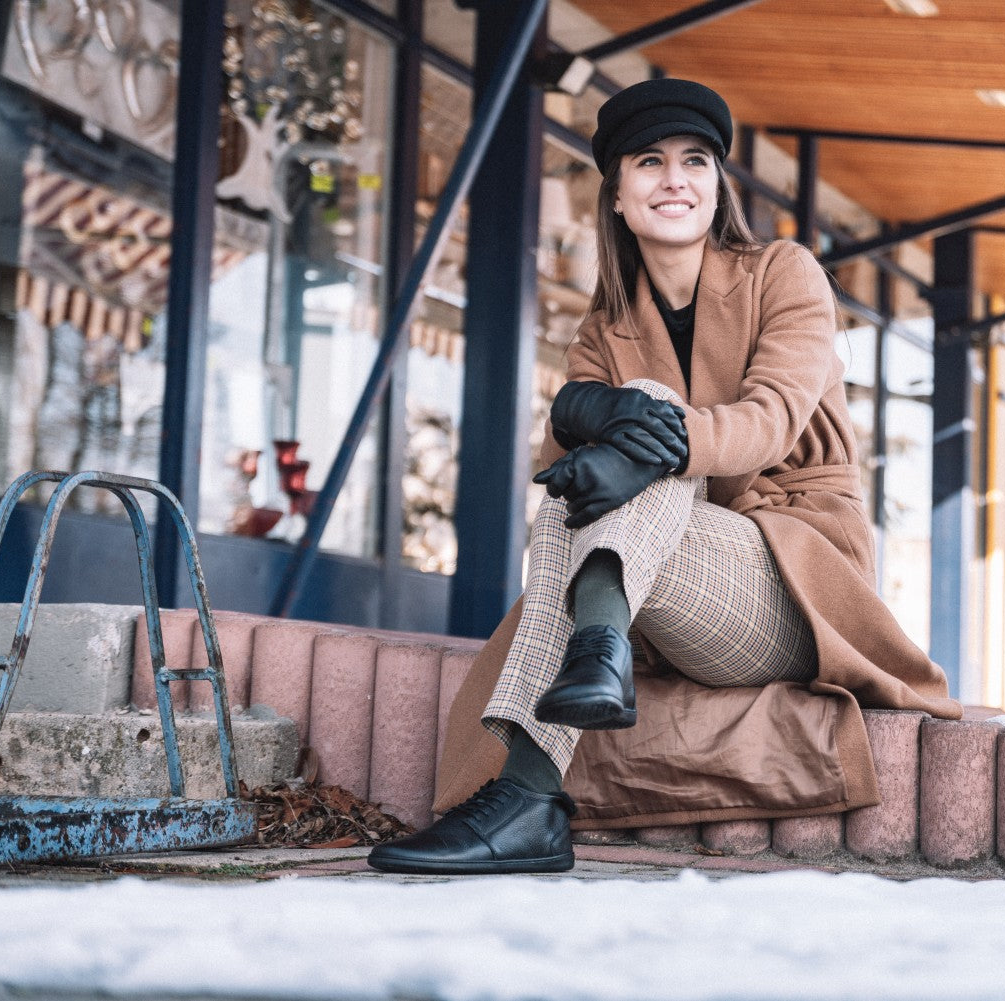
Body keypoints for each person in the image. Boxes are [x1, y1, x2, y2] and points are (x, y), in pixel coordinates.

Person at [368, 78, 960, 876]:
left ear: (718, 187)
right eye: (650, 162)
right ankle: (584, 681)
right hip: (669, 598)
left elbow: (767, 423)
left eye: (695, 161)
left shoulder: (785, 274)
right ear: (616, 194)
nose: (674, 179)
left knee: (643, 412)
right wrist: (595, 413)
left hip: (789, 586)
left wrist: (627, 430)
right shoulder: (604, 330)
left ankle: (547, 755)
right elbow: (564, 479)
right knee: (611, 443)